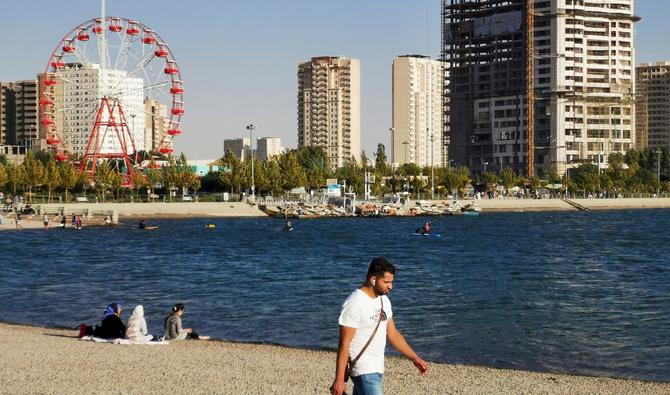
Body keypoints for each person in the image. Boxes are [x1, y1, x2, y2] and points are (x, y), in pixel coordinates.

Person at [330, 257, 428, 395]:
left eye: (391, 282)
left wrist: (415, 358)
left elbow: (392, 333)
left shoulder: (384, 301)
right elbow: (344, 344)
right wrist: (339, 379)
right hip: (363, 370)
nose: (390, 286)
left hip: (377, 368)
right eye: (386, 282)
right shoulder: (354, 303)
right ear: (373, 280)